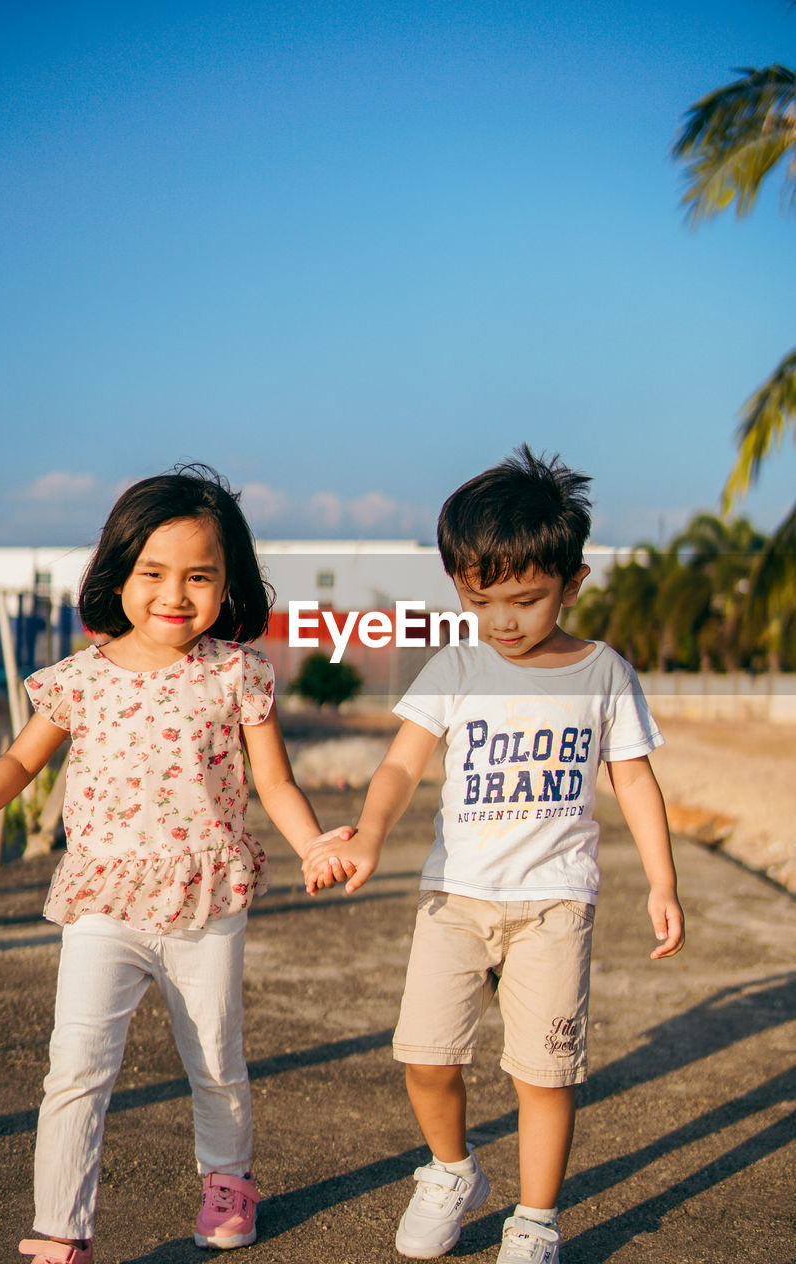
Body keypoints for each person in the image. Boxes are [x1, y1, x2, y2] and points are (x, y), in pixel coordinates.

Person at [0, 464, 350, 1264]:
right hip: (104, 896)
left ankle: (229, 1181)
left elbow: (273, 780)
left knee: (216, 1060)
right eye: (153, 573)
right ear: (117, 575)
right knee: (77, 1067)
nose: (176, 593)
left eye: (200, 576)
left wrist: (312, 845)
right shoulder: (79, 680)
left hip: (206, 897)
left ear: (227, 581)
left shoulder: (238, 673)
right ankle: (61, 1228)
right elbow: (20, 764)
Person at [303, 445, 685, 1264]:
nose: (503, 620)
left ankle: (535, 1220)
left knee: (544, 1074)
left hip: (555, 904)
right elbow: (402, 764)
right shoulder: (456, 665)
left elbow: (635, 783)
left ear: (572, 583)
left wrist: (662, 880)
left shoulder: (602, 675)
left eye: (525, 599)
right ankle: (450, 1172)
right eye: (482, 601)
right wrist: (369, 835)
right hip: (455, 897)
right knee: (424, 1059)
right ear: (460, 590)